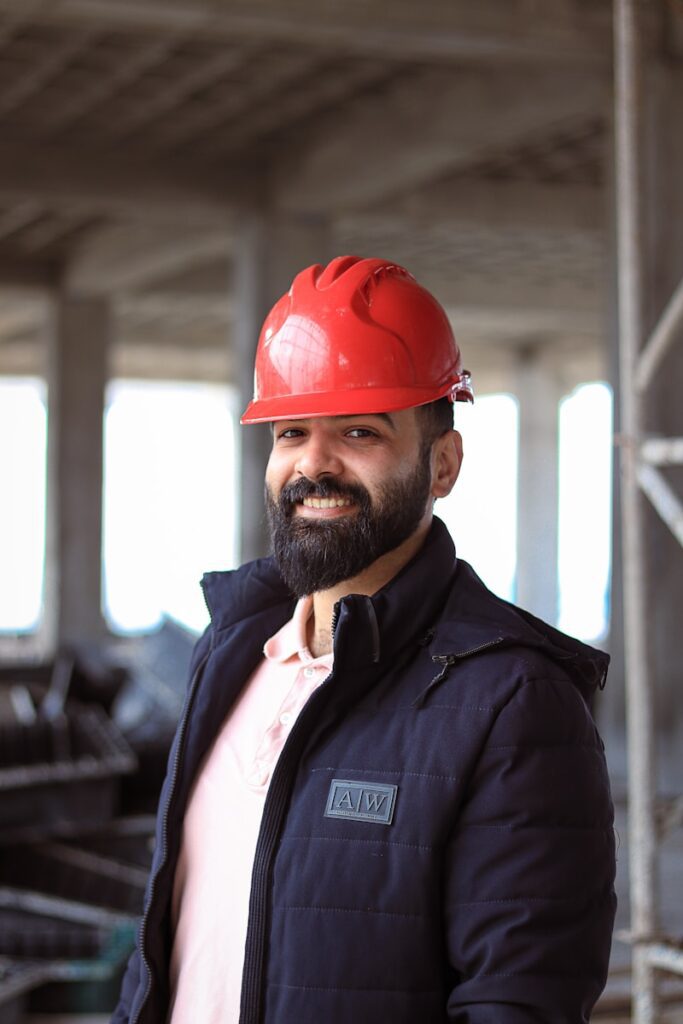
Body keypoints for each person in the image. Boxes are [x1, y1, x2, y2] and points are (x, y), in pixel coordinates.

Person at [112, 256, 616, 1024]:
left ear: (441, 464)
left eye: (358, 432)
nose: (313, 463)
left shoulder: (511, 698)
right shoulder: (232, 652)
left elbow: (516, 1003)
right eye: (290, 432)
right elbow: (167, 955)